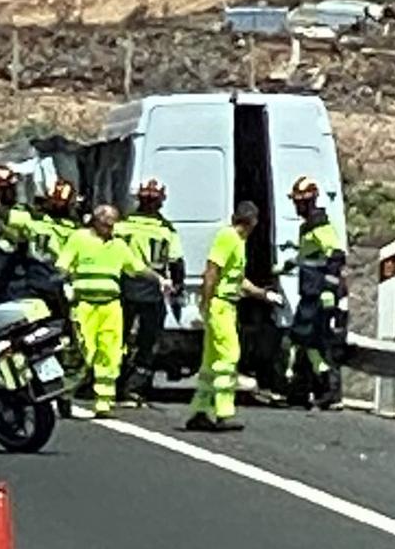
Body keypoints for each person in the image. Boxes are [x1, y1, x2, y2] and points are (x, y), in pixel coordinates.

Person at [58, 203, 162, 418]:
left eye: (113, 225)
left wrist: (160, 280)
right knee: (82, 354)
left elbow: (137, 268)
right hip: (84, 305)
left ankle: (104, 402)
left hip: (111, 306)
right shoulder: (79, 238)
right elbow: (63, 265)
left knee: (110, 353)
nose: (110, 229)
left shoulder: (118, 246)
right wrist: (62, 285)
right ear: (96, 221)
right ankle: (65, 395)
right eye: (106, 224)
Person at [186, 201, 276, 434]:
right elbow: (212, 270)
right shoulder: (227, 238)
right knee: (229, 356)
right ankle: (224, 412)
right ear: (253, 221)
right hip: (220, 306)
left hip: (225, 305)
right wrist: (206, 303)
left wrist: (262, 294)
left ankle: (200, 410)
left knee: (211, 362)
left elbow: (236, 280)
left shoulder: (237, 241)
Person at [115, 180, 182, 406]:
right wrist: (177, 289)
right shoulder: (166, 230)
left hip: (125, 286)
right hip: (152, 289)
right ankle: (134, 389)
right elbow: (176, 262)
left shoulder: (123, 225)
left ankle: (114, 382)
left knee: (119, 338)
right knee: (148, 341)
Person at [284, 175, 348, 411]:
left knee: (311, 342)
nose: (296, 206)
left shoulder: (321, 227)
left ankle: (328, 390)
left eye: (299, 202)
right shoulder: (308, 227)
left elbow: (336, 255)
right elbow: (310, 258)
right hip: (309, 292)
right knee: (304, 342)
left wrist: (329, 288)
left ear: (309, 202)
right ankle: (304, 390)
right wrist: (289, 265)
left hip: (319, 294)